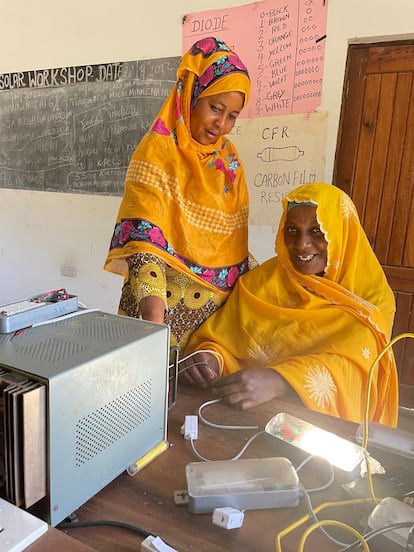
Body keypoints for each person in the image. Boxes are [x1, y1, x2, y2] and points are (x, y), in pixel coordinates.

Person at [181, 182, 399, 426]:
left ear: (341, 234)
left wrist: (280, 380)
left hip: (318, 431)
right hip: (242, 418)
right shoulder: (261, 283)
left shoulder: (372, 301)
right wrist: (209, 359)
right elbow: (224, 340)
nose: (302, 245)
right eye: (292, 231)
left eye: (317, 232)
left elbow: (358, 370)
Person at [104, 37, 253, 354]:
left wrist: (225, 345)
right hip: (157, 315)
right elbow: (145, 248)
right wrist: (156, 331)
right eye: (216, 108)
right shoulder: (158, 151)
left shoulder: (229, 162)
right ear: (191, 95)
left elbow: (236, 252)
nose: (222, 125)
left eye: (232, 116)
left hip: (212, 335)